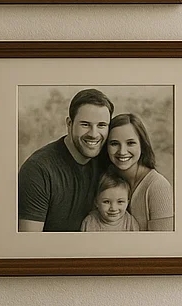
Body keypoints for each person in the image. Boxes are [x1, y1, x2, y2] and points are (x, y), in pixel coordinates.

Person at [18, 89, 114, 231]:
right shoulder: (38, 170)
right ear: (69, 124)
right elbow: (28, 243)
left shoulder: (108, 160)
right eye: (85, 124)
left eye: (101, 125)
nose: (94, 134)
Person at [105, 113, 174, 231]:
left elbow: (163, 244)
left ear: (142, 145)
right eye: (114, 143)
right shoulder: (104, 180)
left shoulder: (158, 187)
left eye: (130, 143)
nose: (122, 151)